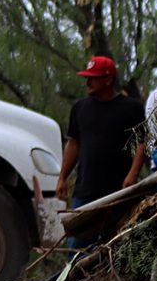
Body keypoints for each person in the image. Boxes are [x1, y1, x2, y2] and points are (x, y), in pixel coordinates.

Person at [57, 53, 147, 209]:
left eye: (93, 78)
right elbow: (73, 143)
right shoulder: (80, 108)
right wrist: (62, 177)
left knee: (119, 233)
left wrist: (133, 174)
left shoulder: (132, 108)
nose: (88, 82)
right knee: (77, 233)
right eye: (87, 77)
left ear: (108, 80)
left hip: (119, 191)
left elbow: (142, 143)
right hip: (85, 191)